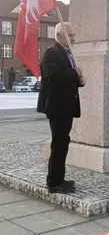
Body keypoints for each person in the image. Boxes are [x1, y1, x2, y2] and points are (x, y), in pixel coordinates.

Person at [37, 22, 85, 192]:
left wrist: (79, 81)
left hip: (66, 106)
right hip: (57, 107)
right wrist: (75, 73)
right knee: (59, 143)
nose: (73, 38)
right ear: (59, 36)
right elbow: (53, 76)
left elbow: (68, 78)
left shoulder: (68, 54)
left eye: (73, 35)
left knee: (63, 142)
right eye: (70, 35)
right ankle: (54, 182)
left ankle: (59, 178)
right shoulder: (51, 53)